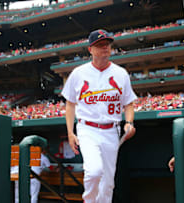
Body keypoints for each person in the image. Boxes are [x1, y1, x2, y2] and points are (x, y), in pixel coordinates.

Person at [61, 29, 137, 203]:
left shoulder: (120, 73)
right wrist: (71, 132)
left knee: (108, 184)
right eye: (100, 45)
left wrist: (129, 122)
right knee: (94, 171)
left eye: (107, 44)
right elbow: (70, 104)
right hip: (88, 128)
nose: (105, 48)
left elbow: (129, 103)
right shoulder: (78, 73)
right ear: (90, 50)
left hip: (111, 131)